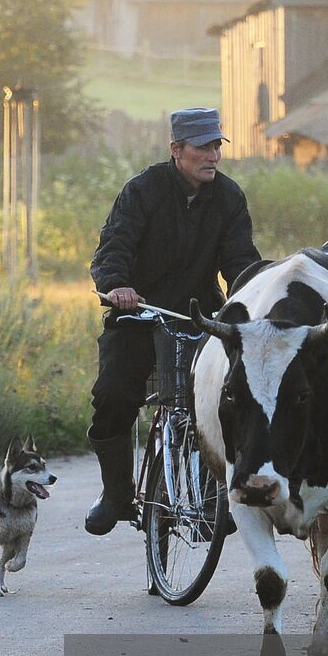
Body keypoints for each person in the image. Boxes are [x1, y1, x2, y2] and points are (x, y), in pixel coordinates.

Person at [85, 107, 261, 535]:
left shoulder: (229, 197)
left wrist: (253, 295)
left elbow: (240, 261)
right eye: (202, 147)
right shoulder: (142, 191)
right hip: (138, 315)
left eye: (217, 145)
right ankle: (116, 494)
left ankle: (208, 498)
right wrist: (117, 286)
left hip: (199, 318)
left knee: (224, 401)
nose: (212, 156)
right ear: (176, 150)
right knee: (113, 395)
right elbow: (114, 248)